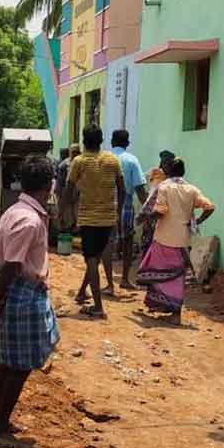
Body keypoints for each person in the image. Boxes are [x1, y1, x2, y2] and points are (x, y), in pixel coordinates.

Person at [0, 155, 61, 447]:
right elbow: (9, 266)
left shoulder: (14, 211)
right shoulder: (30, 221)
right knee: (18, 366)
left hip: (17, 291)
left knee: (8, 362)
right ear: (49, 186)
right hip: (22, 293)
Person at [137, 158, 214, 325]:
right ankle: (174, 312)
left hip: (163, 238)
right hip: (182, 240)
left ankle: (163, 306)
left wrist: (146, 218)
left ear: (169, 171)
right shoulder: (192, 189)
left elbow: (161, 211)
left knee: (156, 272)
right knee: (177, 277)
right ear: (183, 172)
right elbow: (209, 206)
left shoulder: (164, 187)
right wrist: (198, 221)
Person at [66, 124, 125, 319]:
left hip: (89, 219)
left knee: (91, 259)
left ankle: (98, 306)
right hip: (108, 218)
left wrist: (63, 210)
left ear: (84, 140)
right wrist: (118, 211)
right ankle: (83, 291)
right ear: (101, 139)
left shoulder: (79, 161)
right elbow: (122, 189)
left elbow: (69, 189)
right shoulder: (112, 160)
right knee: (95, 257)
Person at [102, 130, 147, 294]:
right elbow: (140, 189)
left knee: (106, 243)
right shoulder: (132, 160)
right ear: (127, 143)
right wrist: (148, 210)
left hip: (105, 203)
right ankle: (125, 279)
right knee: (127, 241)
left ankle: (108, 283)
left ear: (112, 142)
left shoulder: (104, 158)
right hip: (126, 203)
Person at [140, 150, 176, 258]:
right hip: (150, 209)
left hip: (163, 211)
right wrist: (146, 196)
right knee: (148, 237)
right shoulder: (154, 172)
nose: (166, 165)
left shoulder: (173, 177)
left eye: (169, 163)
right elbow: (140, 181)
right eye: (164, 162)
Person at [57, 144, 81, 233]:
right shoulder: (64, 165)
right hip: (66, 193)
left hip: (79, 194)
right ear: (70, 152)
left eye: (77, 152)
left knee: (77, 214)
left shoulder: (82, 162)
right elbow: (60, 183)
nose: (75, 154)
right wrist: (60, 196)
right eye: (73, 152)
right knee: (67, 215)